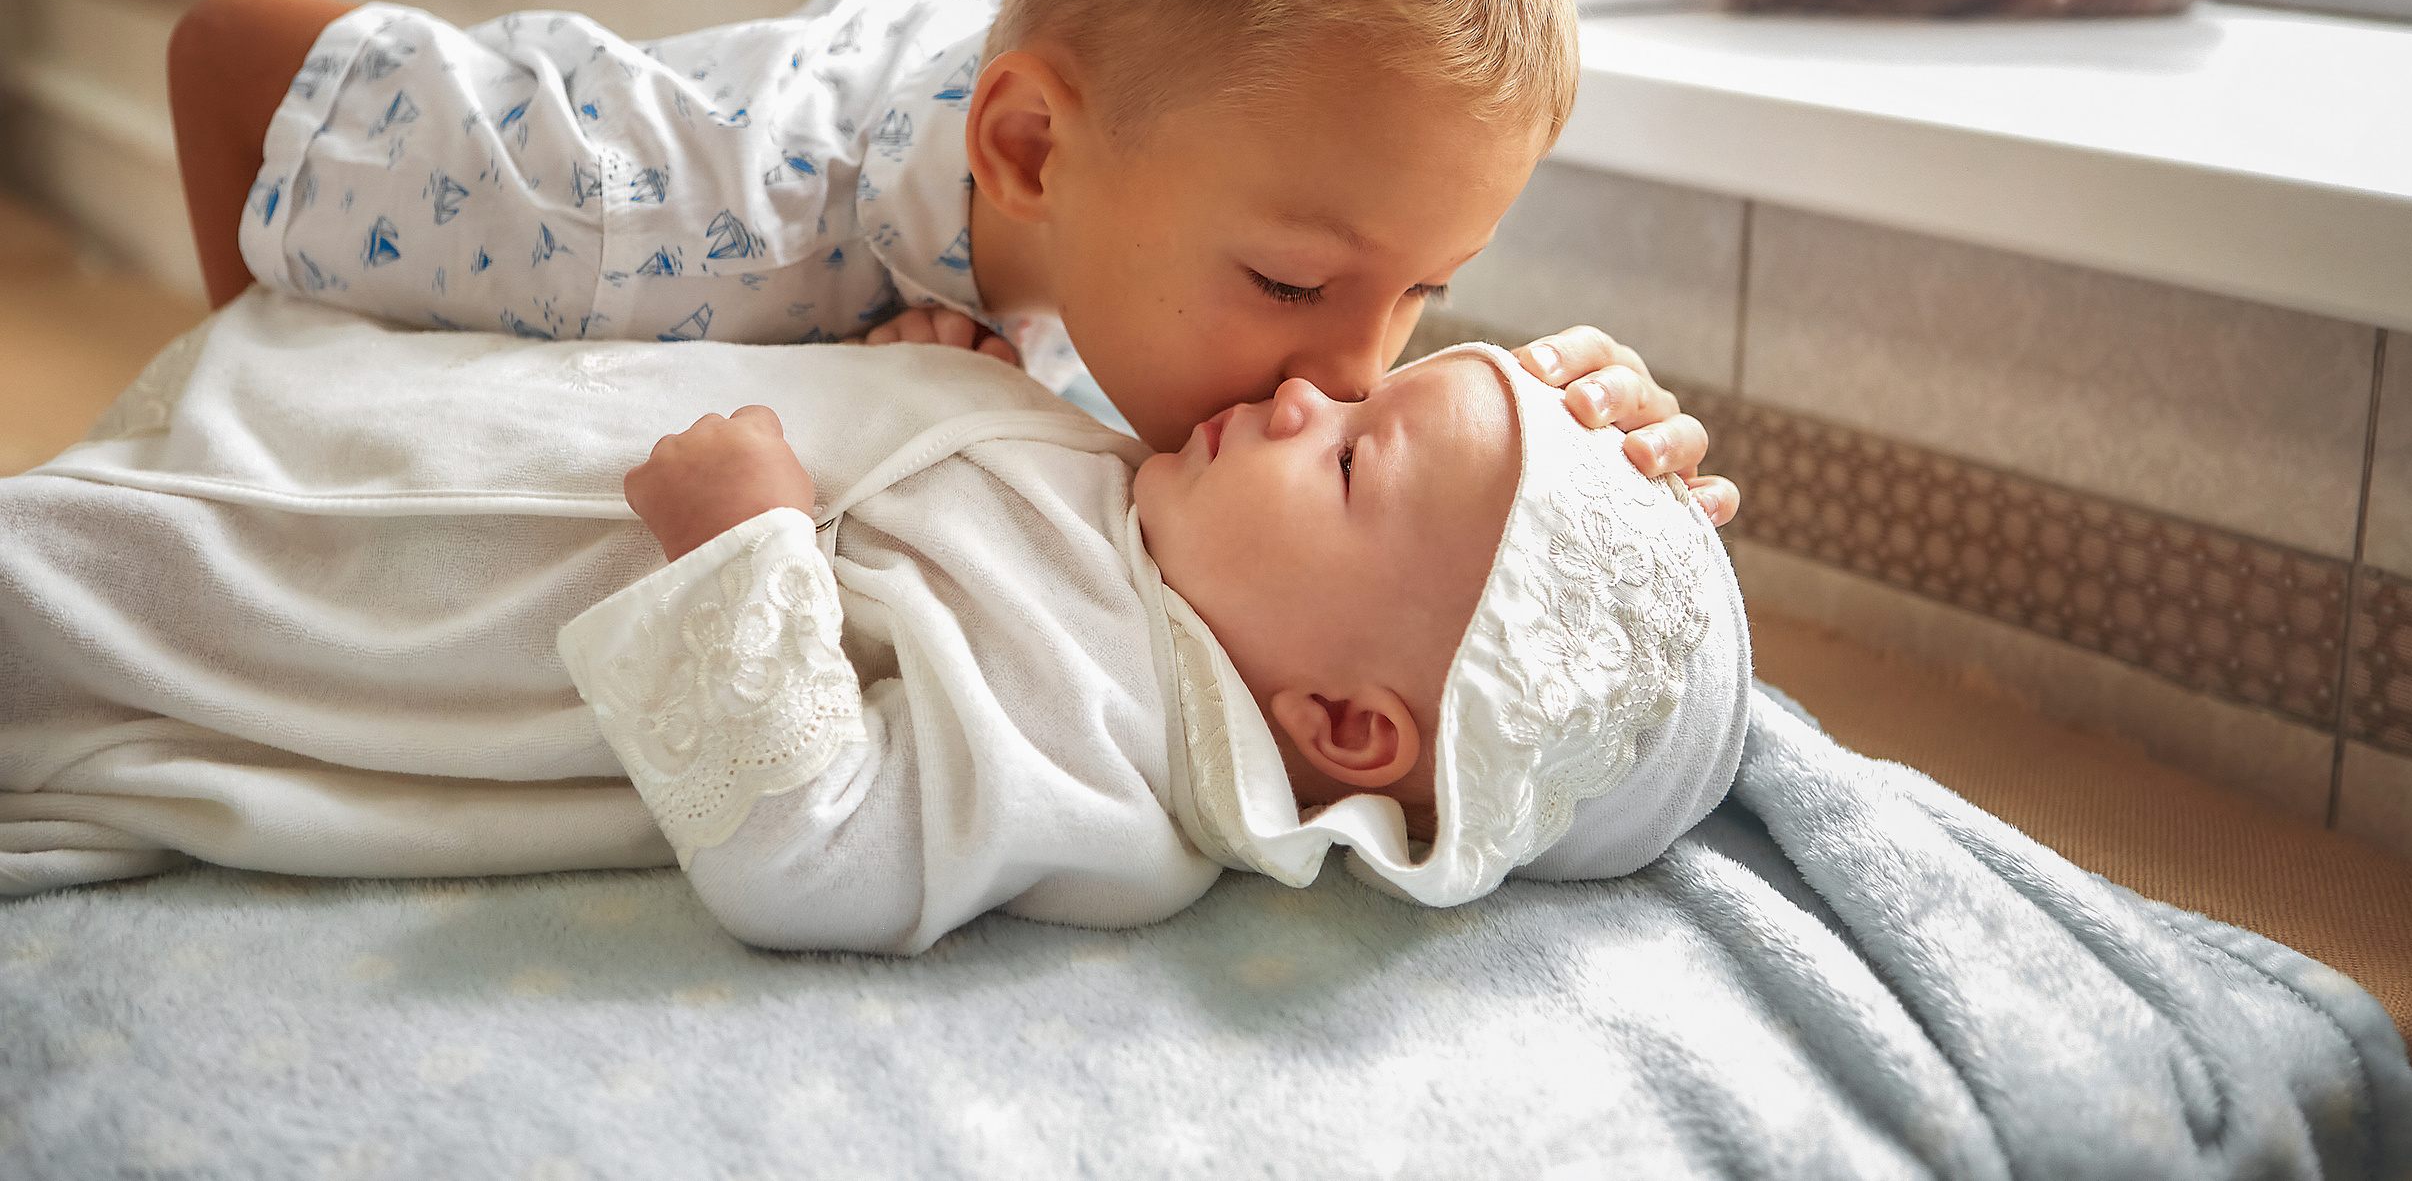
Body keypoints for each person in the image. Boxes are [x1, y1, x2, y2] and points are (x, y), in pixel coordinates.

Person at [161, 0, 1739, 522]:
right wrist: (292, 385)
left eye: (1423, 299)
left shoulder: (1222, 173)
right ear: (1031, 151)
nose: (1353, 379)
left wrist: (1548, 445)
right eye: (1292, 287)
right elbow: (230, 53)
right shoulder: (621, 210)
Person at [0, 294, 1751, 954]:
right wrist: (945, 383)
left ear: (1350, 731)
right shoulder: (1174, 541)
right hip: (429, 433)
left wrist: (748, 553)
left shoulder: (1120, 768)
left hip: (417, 583)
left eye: (1357, 462)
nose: (1306, 396)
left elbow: (807, 850)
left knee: (100, 577)